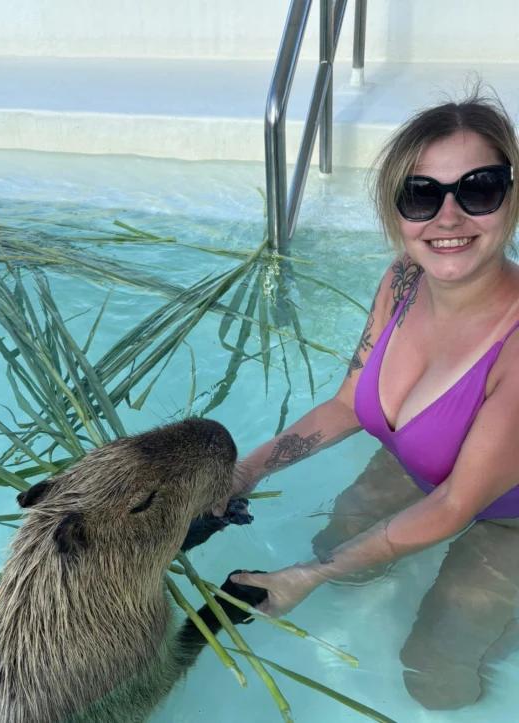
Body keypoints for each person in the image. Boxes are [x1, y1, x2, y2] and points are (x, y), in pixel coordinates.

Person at [223, 87, 519, 711]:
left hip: (507, 520)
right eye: (422, 193)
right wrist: (244, 472)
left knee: (432, 675)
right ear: (397, 209)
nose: (448, 217)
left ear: (511, 198)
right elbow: (348, 403)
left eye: (479, 189)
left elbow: (456, 505)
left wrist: (307, 580)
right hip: (422, 460)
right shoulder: (403, 279)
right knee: (337, 548)